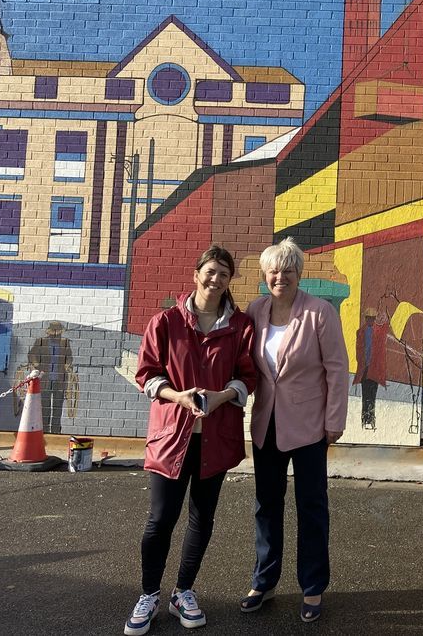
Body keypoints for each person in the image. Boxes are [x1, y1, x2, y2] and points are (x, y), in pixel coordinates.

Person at [124, 245, 257, 636]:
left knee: (202, 517)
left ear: (229, 281)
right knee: (160, 519)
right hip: (171, 436)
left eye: (223, 274)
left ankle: (183, 591)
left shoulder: (241, 326)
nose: (216, 279)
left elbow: (248, 376)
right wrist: (178, 397)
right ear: (196, 274)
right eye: (210, 271)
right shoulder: (166, 322)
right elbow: (147, 374)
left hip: (215, 438)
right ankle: (149, 593)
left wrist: (222, 396)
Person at [240, 237, 348, 623]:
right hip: (266, 425)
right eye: (273, 271)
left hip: (309, 427)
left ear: (299, 274)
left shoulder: (319, 312)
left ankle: (313, 586)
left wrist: (334, 421)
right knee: (266, 506)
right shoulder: (255, 311)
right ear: (264, 275)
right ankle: (264, 581)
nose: (280, 277)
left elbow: (337, 369)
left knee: (311, 507)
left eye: (287, 270)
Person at [353, 307, 388, 430]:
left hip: (374, 369)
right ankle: (365, 420)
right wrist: (361, 363)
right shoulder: (360, 332)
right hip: (364, 369)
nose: (370, 320)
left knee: (372, 396)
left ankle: (371, 420)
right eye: (368, 318)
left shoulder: (379, 332)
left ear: (374, 319)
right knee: (365, 395)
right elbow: (358, 350)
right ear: (365, 318)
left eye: (372, 318)